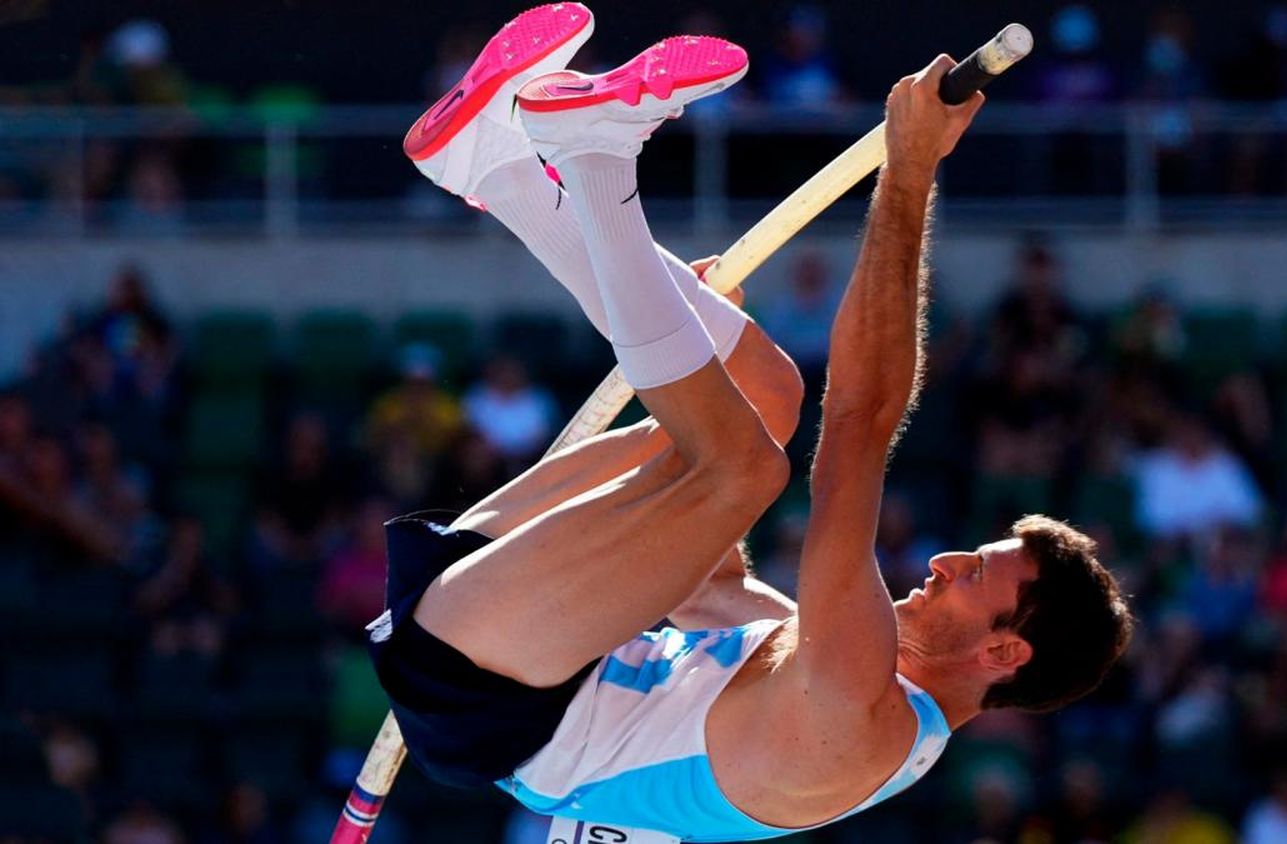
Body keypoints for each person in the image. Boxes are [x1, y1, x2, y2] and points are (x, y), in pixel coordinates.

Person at [373, 4, 1132, 840]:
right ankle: (501, 171)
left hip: (483, 688)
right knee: (764, 397)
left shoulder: (855, 708)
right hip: (515, 621)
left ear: (1003, 652)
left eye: (978, 576)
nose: (947, 561)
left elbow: (861, 422)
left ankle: (594, 155)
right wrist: (682, 335)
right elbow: (713, 586)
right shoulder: (824, 674)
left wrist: (911, 171)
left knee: (746, 466)